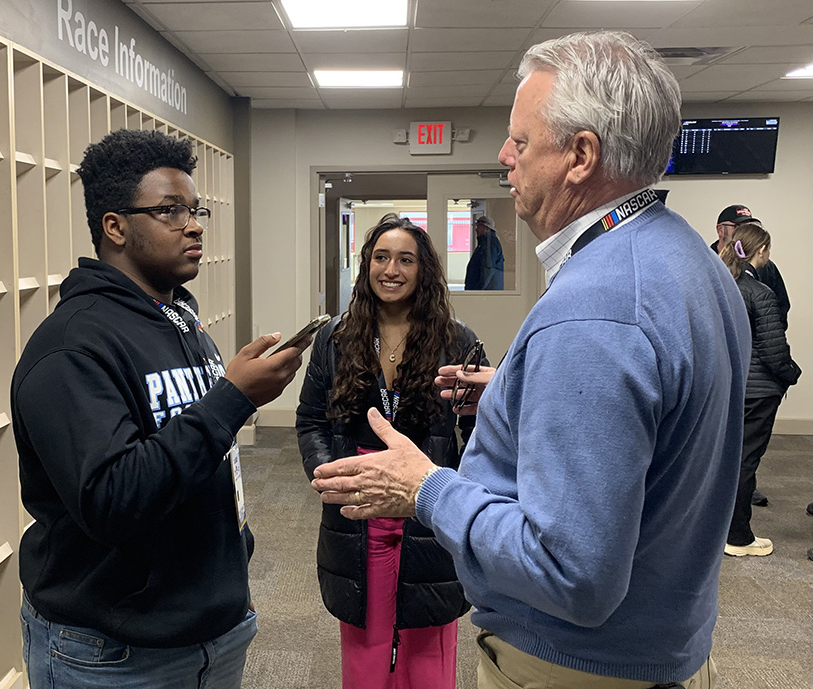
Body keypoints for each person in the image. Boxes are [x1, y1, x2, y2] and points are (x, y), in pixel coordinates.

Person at [311, 31, 751, 689]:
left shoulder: (598, 306)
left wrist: (425, 487)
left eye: (519, 140)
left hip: (571, 665)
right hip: (662, 644)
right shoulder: (691, 261)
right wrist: (522, 393)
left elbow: (572, 573)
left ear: (580, 154)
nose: (504, 156)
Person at [13, 129, 309, 689]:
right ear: (116, 226)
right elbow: (113, 499)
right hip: (113, 654)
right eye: (170, 211)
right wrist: (234, 397)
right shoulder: (72, 346)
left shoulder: (181, 318)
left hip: (211, 628)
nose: (193, 224)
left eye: (194, 210)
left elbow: (199, 452)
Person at [296, 213, 483, 689]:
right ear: (366, 264)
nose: (391, 270)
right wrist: (330, 476)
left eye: (406, 260)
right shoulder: (337, 338)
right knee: (366, 642)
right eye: (381, 257)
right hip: (359, 506)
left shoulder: (455, 339)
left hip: (429, 502)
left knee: (428, 639)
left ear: (424, 270)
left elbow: (479, 430)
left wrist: (460, 491)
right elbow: (311, 419)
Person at [719, 222, 801, 557]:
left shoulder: (720, 287)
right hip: (758, 393)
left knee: (726, 461)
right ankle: (738, 538)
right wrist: (791, 374)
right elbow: (774, 352)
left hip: (727, 387)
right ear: (761, 252)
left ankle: (718, 530)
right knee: (746, 463)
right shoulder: (761, 294)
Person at [714, 204, 790, 331]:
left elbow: (782, 307)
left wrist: (765, 334)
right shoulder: (708, 263)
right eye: (737, 227)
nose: (744, 231)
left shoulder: (766, 266)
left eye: (748, 226)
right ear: (720, 230)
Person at [464, 215, 505, 290]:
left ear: (486, 228)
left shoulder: (489, 244)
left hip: (485, 294)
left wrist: (478, 291)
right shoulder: (485, 244)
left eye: (479, 227)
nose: (476, 230)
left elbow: (488, 269)